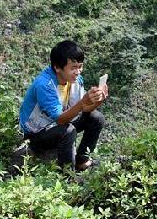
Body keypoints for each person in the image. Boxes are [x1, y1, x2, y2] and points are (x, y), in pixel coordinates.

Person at [19, 40, 108, 171]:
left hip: (59, 123)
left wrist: (99, 100)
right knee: (68, 131)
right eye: (73, 68)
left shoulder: (75, 80)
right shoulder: (45, 85)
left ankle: (82, 160)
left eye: (80, 67)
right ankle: (67, 174)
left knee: (96, 118)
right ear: (57, 68)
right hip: (37, 133)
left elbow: (84, 109)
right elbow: (61, 119)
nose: (78, 72)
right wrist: (83, 102)